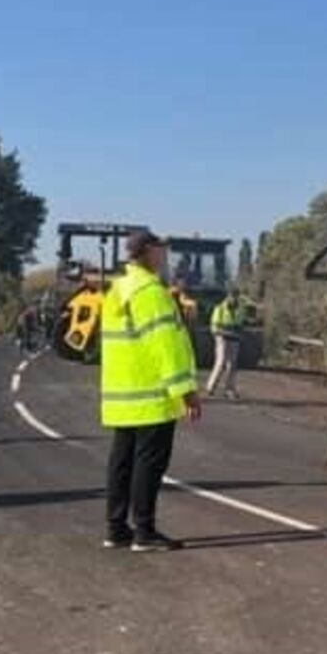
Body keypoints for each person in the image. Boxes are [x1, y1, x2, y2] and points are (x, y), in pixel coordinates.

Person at [100, 229, 202, 552]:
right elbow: (166, 347)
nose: (164, 255)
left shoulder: (119, 289)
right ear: (147, 252)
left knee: (122, 461)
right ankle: (144, 531)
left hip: (123, 394)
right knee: (149, 464)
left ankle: (117, 529)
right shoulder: (151, 292)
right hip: (151, 395)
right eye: (160, 249)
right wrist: (185, 390)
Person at [206, 291, 250, 401]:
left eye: (236, 297)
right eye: (232, 297)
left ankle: (229, 389)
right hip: (222, 338)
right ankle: (211, 387)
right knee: (221, 362)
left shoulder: (241, 309)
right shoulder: (220, 309)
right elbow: (214, 327)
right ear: (228, 297)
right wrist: (225, 332)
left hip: (235, 339)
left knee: (232, 365)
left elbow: (242, 323)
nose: (234, 299)